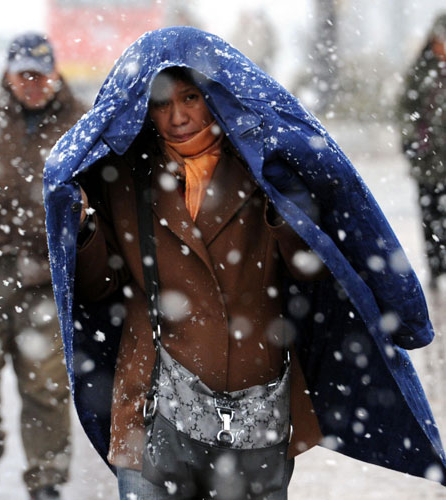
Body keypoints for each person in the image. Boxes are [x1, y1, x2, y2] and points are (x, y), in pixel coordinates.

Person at [44, 27, 446, 499]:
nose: (177, 117)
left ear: (213, 95)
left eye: (190, 97)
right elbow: (100, 287)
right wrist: (85, 232)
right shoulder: (123, 176)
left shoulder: (265, 168)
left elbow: (308, 274)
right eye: (161, 103)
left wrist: (287, 211)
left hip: (257, 411)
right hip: (150, 413)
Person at [0, 32, 86, 500]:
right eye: (24, 74)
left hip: (47, 278)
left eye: (40, 74)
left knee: (47, 389)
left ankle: (46, 482)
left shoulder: (81, 121)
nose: (33, 83)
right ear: (8, 74)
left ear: (54, 74)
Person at [399, 13, 446, 290]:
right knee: (430, 214)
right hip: (427, 160)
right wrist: (410, 138)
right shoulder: (421, 70)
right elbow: (405, 108)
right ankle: (435, 266)